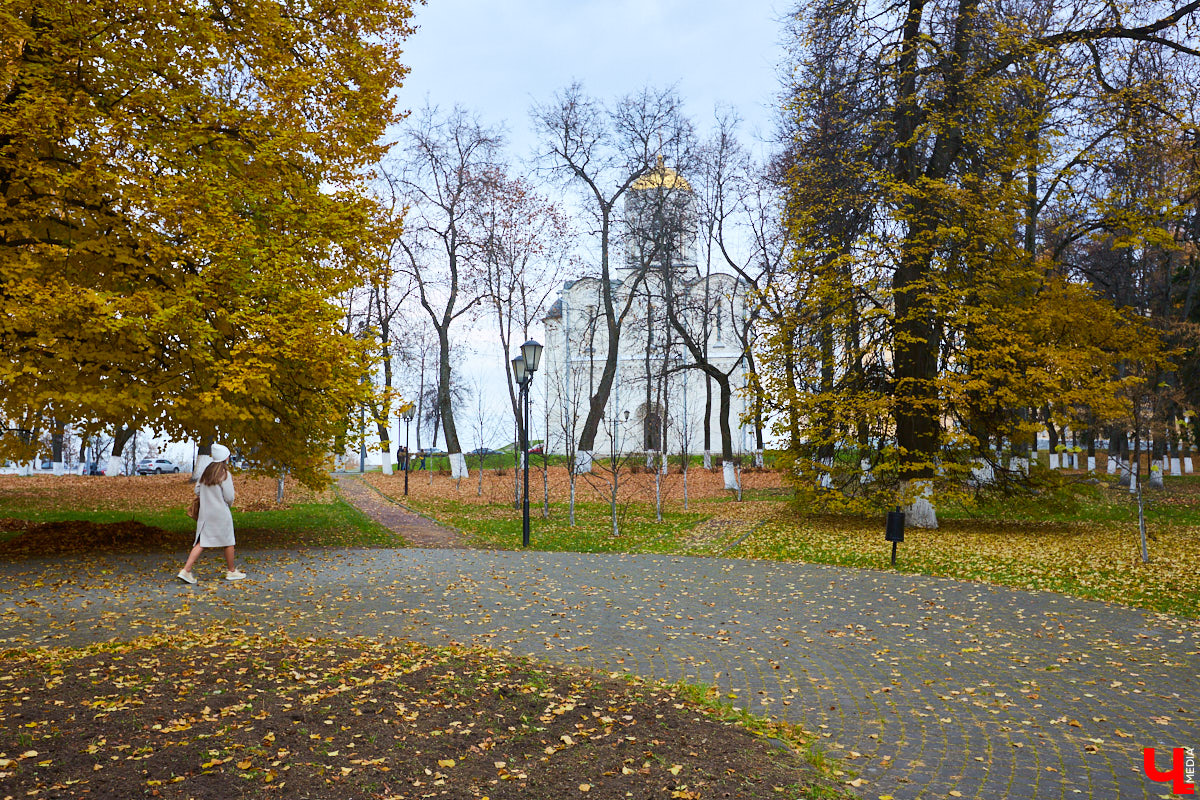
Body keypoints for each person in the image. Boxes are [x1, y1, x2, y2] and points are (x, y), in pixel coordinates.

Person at [177, 443, 245, 583]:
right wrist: (228, 505)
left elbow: (197, 491)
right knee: (228, 541)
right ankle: (231, 571)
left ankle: (186, 570)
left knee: (202, 542)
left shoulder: (205, 474)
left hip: (205, 514)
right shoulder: (225, 474)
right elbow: (229, 496)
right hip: (221, 513)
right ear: (225, 459)